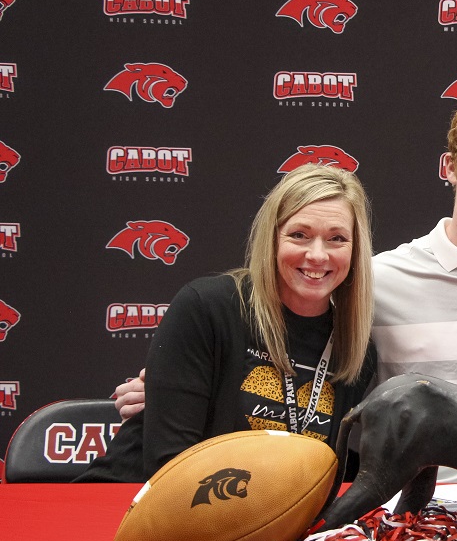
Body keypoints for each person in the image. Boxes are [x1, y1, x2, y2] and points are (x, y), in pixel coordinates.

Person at [112, 89, 457, 483]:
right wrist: (173, 386)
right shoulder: (374, 282)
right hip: (420, 516)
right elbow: (285, 339)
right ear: (449, 168)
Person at [80, 164, 377, 481]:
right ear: (272, 238)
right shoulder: (208, 308)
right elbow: (171, 467)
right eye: (299, 235)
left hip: (256, 519)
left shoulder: (354, 350)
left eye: (337, 238)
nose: (317, 255)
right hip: (132, 503)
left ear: (355, 249)